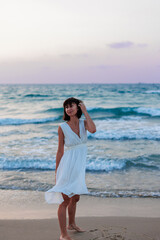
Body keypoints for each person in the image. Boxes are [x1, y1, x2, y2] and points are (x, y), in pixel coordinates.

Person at [45, 97, 96, 240]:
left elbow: (93, 129)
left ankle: (72, 224)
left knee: (76, 197)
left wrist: (85, 112)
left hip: (78, 167)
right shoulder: (62, 127)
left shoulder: (84, 123)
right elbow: (60, 151)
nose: (68, 109)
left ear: (78, 107)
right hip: (67, 166)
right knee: (65, 200)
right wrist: (57, 172)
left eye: (71, 105)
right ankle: (63, 234)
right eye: (66, 107)